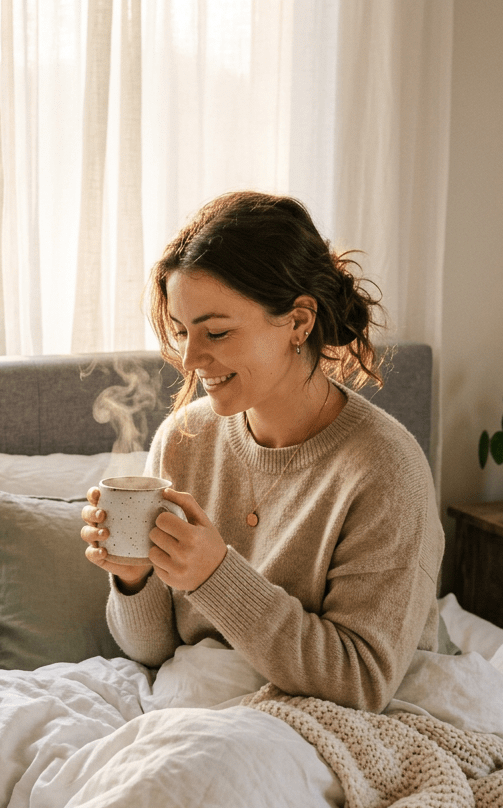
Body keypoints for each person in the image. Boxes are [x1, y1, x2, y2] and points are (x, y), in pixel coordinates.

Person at [81, 191, 444, 712]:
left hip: (344, 721)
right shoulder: (183, 441)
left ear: (299, 322)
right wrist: (132, 576)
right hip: (204, 711)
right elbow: (153, 651)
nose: (189, 359)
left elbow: (362, 682)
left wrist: (215, 575)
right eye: (181, 332)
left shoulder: (385, 467)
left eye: (218, 331)